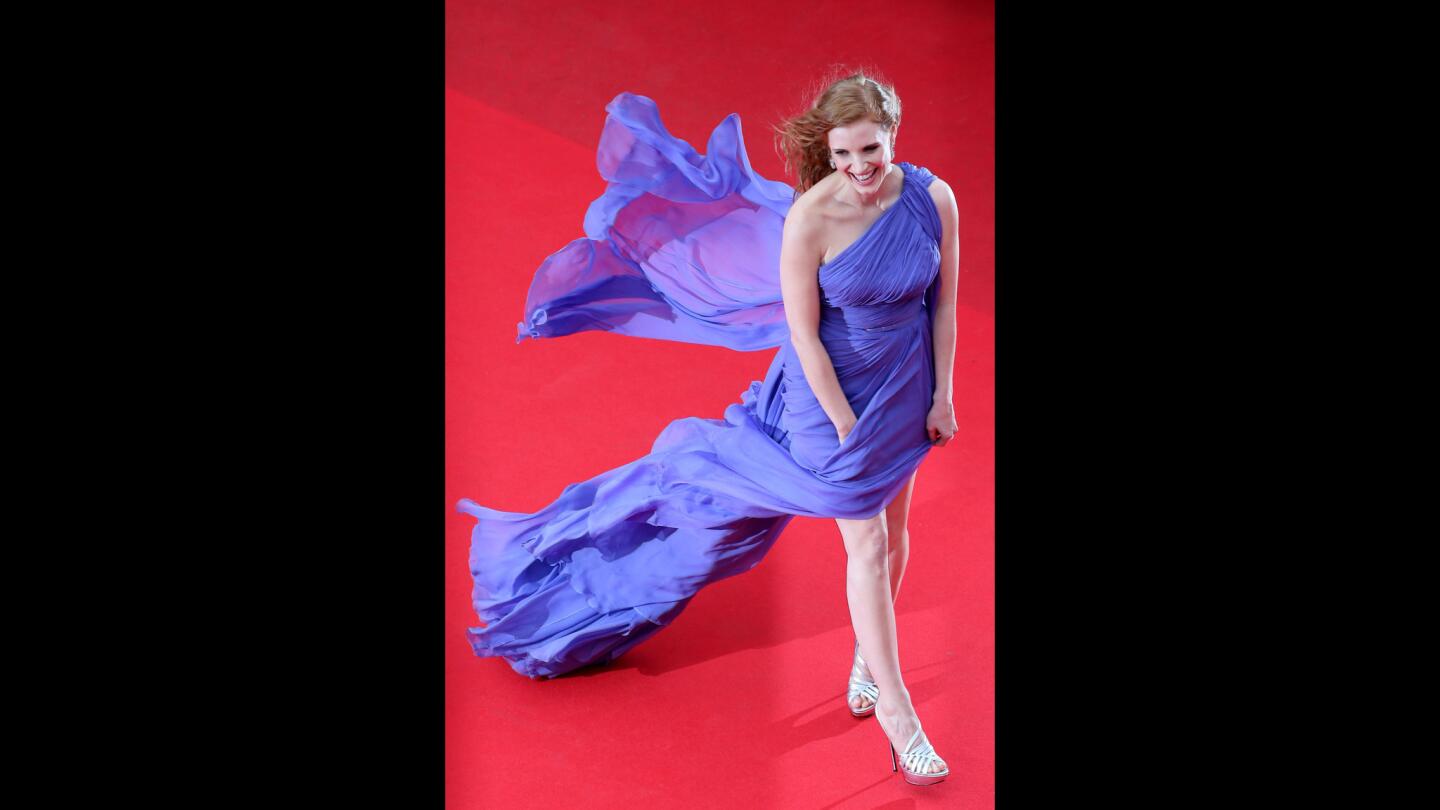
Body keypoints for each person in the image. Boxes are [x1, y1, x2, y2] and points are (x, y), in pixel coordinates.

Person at [457, 71, 959, 786]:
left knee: (896, 527)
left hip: (906, 388)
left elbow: (942, 306)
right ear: (829, 149)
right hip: (831, 404)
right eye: (845, 154)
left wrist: (943, 396)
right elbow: (806, 339)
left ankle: (866, 661)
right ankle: (899, 719)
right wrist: (846, 421)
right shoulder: (810, 219)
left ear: (893, 135)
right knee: (868, 542)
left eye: (871, 150)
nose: (859, 169)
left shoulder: (932, 198)